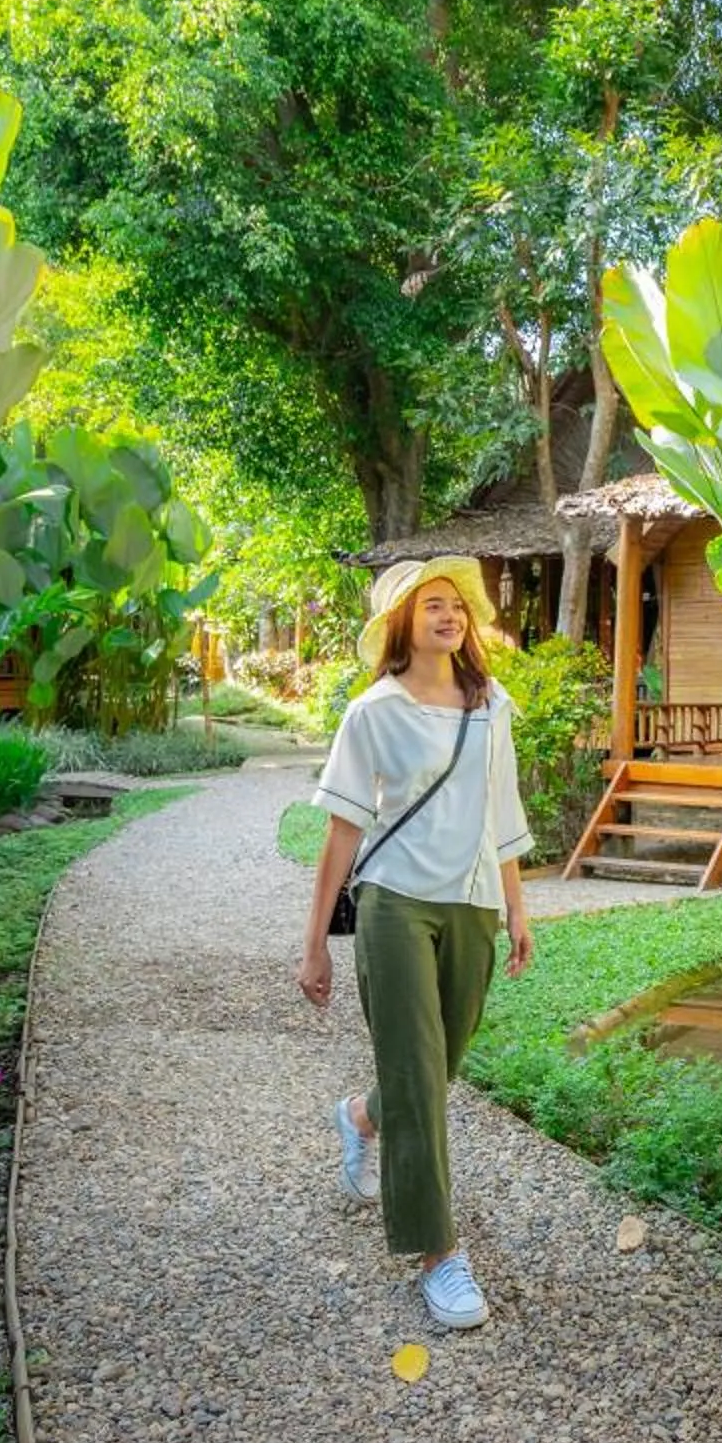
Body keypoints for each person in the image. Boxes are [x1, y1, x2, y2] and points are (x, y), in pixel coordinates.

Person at [296, 557, 536, 1329]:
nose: (449, 615)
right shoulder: (373, 712)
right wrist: (315, 944)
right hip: (395, 904)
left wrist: (518, 908)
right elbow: (342, 831)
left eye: (456, 605)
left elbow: (502, 813)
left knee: (437, 1068)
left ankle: (363, 1116)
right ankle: (440, 1258)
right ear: (402, 624)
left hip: (471, 907)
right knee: (423, 1080)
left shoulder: (491, 704)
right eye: (431, 605)